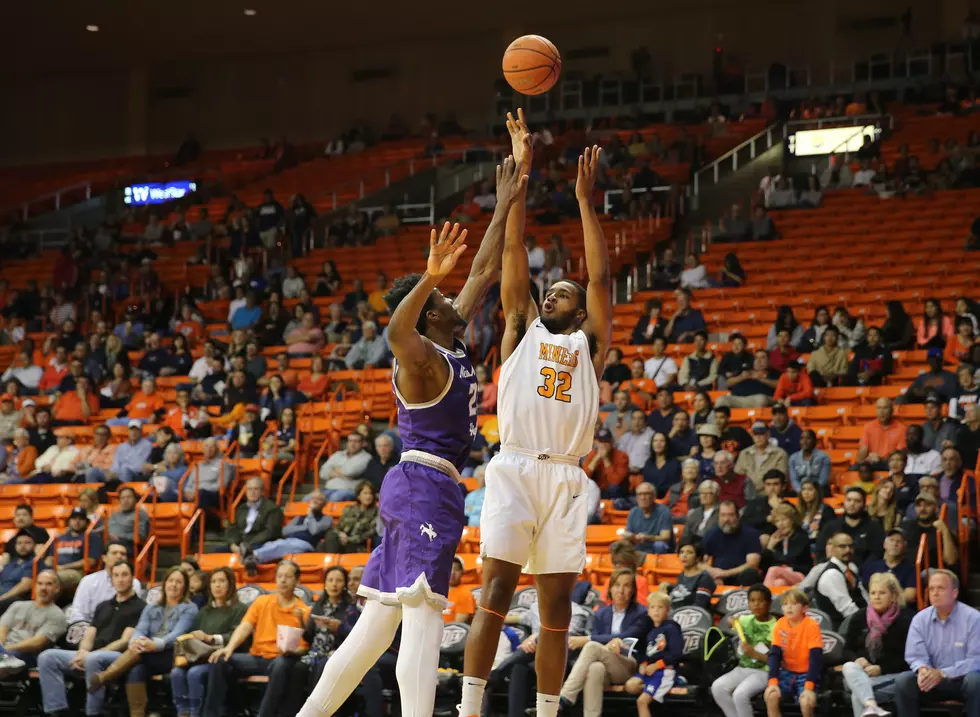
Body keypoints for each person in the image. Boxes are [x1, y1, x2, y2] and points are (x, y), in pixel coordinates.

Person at [296, 128, 528, 717]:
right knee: (423, 616)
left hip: (423, 486)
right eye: (441, 294)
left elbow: (480, 269)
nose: (455, 295)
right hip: (425, 485)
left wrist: (506, 197)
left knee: (375, 626)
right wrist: (427, 275)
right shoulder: (421, 358)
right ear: (431, 310)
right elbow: (393, 331)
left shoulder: (447, 337)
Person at [457, 135, 611, 717]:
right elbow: (514, 247)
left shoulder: (590, 345)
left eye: (566, 293)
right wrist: (520, 180)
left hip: (566, 477)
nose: (557, 294)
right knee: (494, 593)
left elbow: (599, 278)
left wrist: (584, 201)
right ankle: (470, 711)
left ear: (579, 309)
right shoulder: (521, 327)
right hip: (516, 466)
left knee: (556, 609)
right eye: (553, 290)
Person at [204, 561, 311, 717]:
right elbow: (245, 626)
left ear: (297, 581)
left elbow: (305, 647)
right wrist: (229, 648)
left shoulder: (303, 611)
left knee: (281, 665)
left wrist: (292, 651)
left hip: (281, 659)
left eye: (287, 577)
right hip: (256, 656)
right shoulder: (262, 602)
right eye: (279, 576)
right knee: (220, 660)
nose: (282, 580)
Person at [38, 560, 144, 717]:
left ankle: (93, 713)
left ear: (132, 578)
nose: (120, 579)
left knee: (95, 659)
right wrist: (82, 652)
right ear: (112, 579)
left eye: (124, 575)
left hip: (119, 656)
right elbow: (90, 634)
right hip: (91, 654)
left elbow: (124, 641)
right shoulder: (103, 606)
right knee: (47, 657)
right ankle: (57, 711)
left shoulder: (140, 606)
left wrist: (91, 655)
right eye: (116, 575)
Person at [88, 567, 198, 717]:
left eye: (178, 582)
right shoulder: (151, 607)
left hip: (173, 654)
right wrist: (136, 642)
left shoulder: (189, 608)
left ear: (184, 586)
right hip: (145, 652)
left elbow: (178, 634)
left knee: (140, 656)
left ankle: (105, 676)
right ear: (164, 584)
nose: (174, 585)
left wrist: (155, 644)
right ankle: (137, 714)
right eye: (171, 581)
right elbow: (140, 629)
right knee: (136, 669)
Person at [558, 568, 652, 717]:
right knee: (595, 668)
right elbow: (600, 639)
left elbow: (627, 635)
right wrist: (607, 643)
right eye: (617, 585)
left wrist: (588, 639)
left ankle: (564, 698)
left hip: (630, 666)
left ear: (633, 590)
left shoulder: (642, 613)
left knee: (591, 645)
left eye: (626, 586)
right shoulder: (601, 613)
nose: (621, 590)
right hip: (607, 662)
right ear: (610, 588)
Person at [893, 570, 980, 717]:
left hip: (961, 681)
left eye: (940, 588)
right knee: (904, 681)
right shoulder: (920, 619)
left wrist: (942, 673)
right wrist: (923, 670)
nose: (935, 593)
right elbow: (915, 656)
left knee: (975, 680)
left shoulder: (973, 618)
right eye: (931, 589)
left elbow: (976, 660)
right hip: (931, 682)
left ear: (954, 593)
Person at [287, 567, 360, 714]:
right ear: (325, 584)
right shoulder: (318, 606)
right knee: (298, 668)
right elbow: (309, 637)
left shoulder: (350, 609)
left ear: (344, 584)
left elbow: (355, 638)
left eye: (339, 581)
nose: (334, 584)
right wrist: (301, 621)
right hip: (315, 652)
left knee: (322, 667)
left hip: (336, 653)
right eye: (331, 580)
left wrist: (339, 628)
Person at [840, 572, 911, 717]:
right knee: (849, 666)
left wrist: (881, 668)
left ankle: (870, 705)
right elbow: (846, 651)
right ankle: (872, 706)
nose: (876, 597)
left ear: (893, 595)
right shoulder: (859, 617)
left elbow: (908, 658)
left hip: (892, 676)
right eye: (873, 593)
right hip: (862, 674)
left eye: (882, 593)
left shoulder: (905, 619)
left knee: (858, 694)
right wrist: (857, 659)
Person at [712, 584, 777, 717]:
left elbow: (775, 661)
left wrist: (754, 654)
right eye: (752, 601)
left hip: (764, 671)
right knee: (717, 687)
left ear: (769, 603)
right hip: (743, 668)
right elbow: (730, 622)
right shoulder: (746, 620)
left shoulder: (776, 626)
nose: (756, 604)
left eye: (761, 600)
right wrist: (731, 622)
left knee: (740, 694)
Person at [763, 588, 823, 717]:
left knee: (806, 701)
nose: (789, 607)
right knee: (771, 696)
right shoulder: (780, 624)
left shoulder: (811, 626)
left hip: (806, 674)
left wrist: (809, 686)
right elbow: (774, 655)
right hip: (786, 673)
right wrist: (772, 682)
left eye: (794, 604)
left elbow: (816, 658)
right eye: (785, 604)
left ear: (804, 608)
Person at [243, 491, 333, 576]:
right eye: (313, 498)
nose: (315, 501)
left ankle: (252, 556)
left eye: (319, 499)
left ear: (324, 503)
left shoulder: (327, 519)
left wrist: (310, 515)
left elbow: (314, 531)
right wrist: (304, 527)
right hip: (289, 540)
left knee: (279, 546)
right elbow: (285, 531)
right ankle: (253, 562)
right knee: (270, 544)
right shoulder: (300, 517)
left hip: (305, 544)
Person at [623, 592, 683, 711]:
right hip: (650, 671)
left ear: (667, 610)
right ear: (648, 611)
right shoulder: (649, 631)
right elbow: (646, 653)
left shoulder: (671, 628)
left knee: (641, 702)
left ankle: (668, 681)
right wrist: (644, 664)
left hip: (664, 670)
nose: (656, 611)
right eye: (652, 607)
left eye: (660, 607)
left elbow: (676, 654)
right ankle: (659, 686)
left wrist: (656, 665)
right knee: (630, 686)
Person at [0, 570, 65, 676]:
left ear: (57, 588)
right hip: (4, 650)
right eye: (40, 583)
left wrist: (5, 649)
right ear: (35, 586)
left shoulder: (57, 615)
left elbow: (37, 643)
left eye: (49, 584)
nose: (43, 588)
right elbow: (2, 628)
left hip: (27, 655)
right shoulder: (18, 605)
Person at [802, 532, 868, 626]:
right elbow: (848, 609)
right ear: (833, 549)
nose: (848, 550)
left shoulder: (852, 568)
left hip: (857, 619)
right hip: (840, 628)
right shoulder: (832, 574)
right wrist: (871, 622)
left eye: (851, 546)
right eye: (842, 546)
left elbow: (863, 595)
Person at [815, 487, 885, 565]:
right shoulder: (831, 526)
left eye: (857, 501)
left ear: (864, 505)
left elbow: (877, 553)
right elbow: (820, 552)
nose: (852, 504)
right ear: (844, 502)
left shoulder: (874, 527)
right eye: (849, 500)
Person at [702, 501, 763, 586]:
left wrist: (725, 573)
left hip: (741, 577)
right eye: (723, 515)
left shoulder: (751, 534)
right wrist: (713, 571)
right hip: (718, 577)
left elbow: (752, 564)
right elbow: (699, 562)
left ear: (738, 516)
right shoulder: (711, 534)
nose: (726, 519)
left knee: (749, 574)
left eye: (730, 515)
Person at [222, 477, 283, 556]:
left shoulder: (272, 509)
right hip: (241, 543)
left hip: (261, 544)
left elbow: (270, 532)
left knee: (248, 554)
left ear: (262, 492)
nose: (252, 492)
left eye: (256, 489)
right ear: (246, 492)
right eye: (249, 489)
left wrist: (248, 544)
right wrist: (233, 544)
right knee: (216, 551)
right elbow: (234, 527)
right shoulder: (241, 508)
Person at [899, 492, 957, 569]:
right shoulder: (905, 526)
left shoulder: (942, 529)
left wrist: (945, 531)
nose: (922, 509)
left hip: (933, 573)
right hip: (908, 571)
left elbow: (951, 561)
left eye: (927, 505)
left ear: (936, 509)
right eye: (918, 505)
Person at [763, 504, 813, 586]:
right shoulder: (776, 539)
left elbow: (790, 559)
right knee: (779, 583)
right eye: (777, 521)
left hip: (801, 575)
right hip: (782, 575)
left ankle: (763, 596)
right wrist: (769, 547)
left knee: (773, 569)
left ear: (792, 520)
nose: (781, 524)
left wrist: (774, 552)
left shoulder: (801, 537)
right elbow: (764, 566)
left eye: (784, 519)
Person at [735, 421, 789, 491]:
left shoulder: (780, 454)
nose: (758, 437)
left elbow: (780, 479)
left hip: (769, 494)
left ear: (768, 434)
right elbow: (737, 476)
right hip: (746, 494)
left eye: (761, 434)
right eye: (755, 434)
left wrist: (753, 488)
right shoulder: (744, 453)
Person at [318, 433, 371, 502]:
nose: (353, 444)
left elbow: (350, 472)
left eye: (356, 441)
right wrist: (343, 475)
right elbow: (322, 473)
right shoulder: (338, 454)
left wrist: (334, 469)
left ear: (362, 443)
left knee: (335, 498)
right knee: (308, 498)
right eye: (350, 441)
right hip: (328, 489)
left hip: (349, 490)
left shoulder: (366, 457)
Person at [661, 541, 715, 608]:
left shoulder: (704, 578)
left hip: (690, 616)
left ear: (698, 558)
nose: (684, 555)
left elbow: (699, 606)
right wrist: (668, 588)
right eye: (681, 552)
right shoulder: (682, 575)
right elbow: (682, 591)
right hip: (673, 613)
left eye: (690, 552)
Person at [623, 484, 673, 554]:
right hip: (638, 547)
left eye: (646, 494)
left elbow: (665, 537)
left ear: (654, 497)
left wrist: (647, 537)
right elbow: (628, 533)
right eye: (640, 494)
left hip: (657, 548)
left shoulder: (664, 511)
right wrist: (628, 536)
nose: (643, 497)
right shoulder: (633, 511)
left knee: (659, 545)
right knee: (616, 546)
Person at [333, 481, 380, 553]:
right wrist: (340, 534)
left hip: (358, 544)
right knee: (328, 538)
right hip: (343, 541)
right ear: (358, 496)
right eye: (365, 493)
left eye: (370, 493)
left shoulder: (376, 512)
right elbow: (338, 527)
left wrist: (348, 539)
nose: (368, 496)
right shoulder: (349, 509)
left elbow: (371, 533)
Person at [0, 530, 39, 615]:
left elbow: (25, 586)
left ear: (34, 545)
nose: (23, 546)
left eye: (27, 543)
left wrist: (2, 597)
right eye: (19, 543)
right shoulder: (10, 563)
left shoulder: (34, 562)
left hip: (17, 600)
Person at [105, 486, 149, 555]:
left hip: (130, 546)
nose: (126, 500)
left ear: (135, 499)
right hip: (111, 544)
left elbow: (140, 536)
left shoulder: (140, 514)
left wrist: (120, 537)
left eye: (129, 497)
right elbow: (109, 531)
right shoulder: (114, 515)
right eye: (123, 498)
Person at [443, 557, 476, 623]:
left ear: (462, 572)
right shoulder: (435, 592)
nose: (452, 572)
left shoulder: (465, 595)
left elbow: (457, 625)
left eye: (456, 569)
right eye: (449, 568)